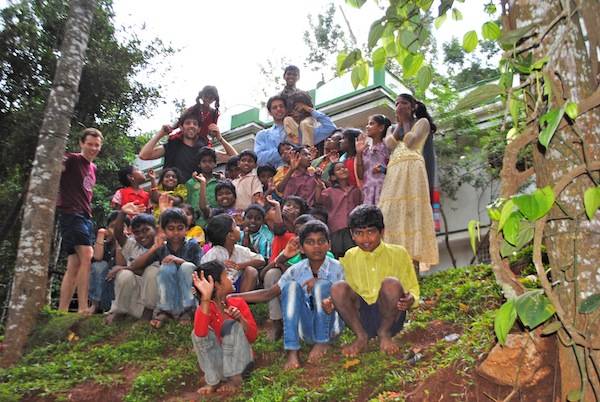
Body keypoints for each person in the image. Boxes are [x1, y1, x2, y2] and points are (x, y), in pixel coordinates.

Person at [233, 220, 344, 370]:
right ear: (302, 249)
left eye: (321, 241)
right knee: (290, 287)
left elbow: (345, 294)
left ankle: (322, 342)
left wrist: (329, 296)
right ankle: (293, 351)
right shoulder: (296, 270)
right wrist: (234, 297)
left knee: (322, 285)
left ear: (329, 245)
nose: (316, 246)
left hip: (331, 327)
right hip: (306, 329)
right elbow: (268, 293)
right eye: (310, 242)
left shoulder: (337, 267)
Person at [330, 205, 419, 356]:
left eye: (370, 232)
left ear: (382, 231)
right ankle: (361, 337)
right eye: (359, 233)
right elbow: (347, 293)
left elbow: (413, 290)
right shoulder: (348, 257)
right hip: (362, 318)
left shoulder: (399, 253)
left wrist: (410, 299)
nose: (365, 239)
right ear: (352, 235)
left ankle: (385, 333)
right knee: (337, 288)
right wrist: (331, 301)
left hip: (391, 315)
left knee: (391, 284)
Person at [378, 94, 439, 268]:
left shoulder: (422, 123)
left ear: (413, 106)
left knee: (412, 211)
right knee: (390, 212)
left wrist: (405, 121)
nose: (399, 106)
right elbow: (389, 145)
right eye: (397, 104)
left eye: (404, 103)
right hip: (394, 171)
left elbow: (411, 142)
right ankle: (393, 255)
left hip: (413, 169)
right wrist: (399, 124)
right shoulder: (391, 129)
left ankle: (413, 259)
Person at [191, 261, 257, 395]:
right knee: (196, 334)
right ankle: (213, 380)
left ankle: (234, 379)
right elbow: (200, 334)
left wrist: (240, 320)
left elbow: (253, 336)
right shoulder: (205, 308)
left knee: (231, 326)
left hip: (241, 362)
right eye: (226, 276)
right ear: (217, 285)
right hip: (219, 363)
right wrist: (205, 299)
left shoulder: (237, 302)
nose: (231, 278)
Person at [131, 208, 203, 327]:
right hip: (169, 295)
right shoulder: (162, 248)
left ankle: (188, 311)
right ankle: (166, 311)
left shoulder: (193, 245)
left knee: (186, 267)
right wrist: (154, 247)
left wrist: (179, 261)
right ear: (164, 230)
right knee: (166, 267)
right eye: (170, 228)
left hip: (189, 294)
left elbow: (198, 270)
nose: (175, 232)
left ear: (186, 229)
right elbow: (135, 266)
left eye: (180, 228)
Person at [57, 128, 103, 314]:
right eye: (89, 144)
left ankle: (62, 310)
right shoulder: (73, 159)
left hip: (85, 216)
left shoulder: (93, 168)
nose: (93, 148)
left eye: (96, 145)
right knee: (87, 256)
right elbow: (56, 163)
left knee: (74, 264)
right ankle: (83, 307)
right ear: (81, 143)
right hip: (71, 213)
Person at [138, 109, 237, 182]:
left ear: (199, 129)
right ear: (181, 127)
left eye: (195, 124)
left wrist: (220, 138)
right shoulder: (172, 146)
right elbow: (144, 155)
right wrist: (160, 134)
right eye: (188, 123)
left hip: (196, 194)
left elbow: (235, 158)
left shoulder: (204, 150)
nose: (191, 126)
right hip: (173, 193)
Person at [105, 204, 159, 323]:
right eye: (137, 232)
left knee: (151, 272)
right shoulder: (133, 245)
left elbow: (144, 271)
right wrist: (122, 213)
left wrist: (123, 267)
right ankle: (120, 312)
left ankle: (146, 316)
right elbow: (118, 234)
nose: (142, 235)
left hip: (154, 306)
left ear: (156, 229)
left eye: (146, 230)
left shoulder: (162, 247)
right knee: (124, 274)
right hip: (133, 302)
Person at [201, 214, 264, 293]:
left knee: (251, 271)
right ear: (230, 236)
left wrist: (239, 266)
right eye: (235, 226)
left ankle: (241, 301)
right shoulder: (213, 254)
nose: (238, 228)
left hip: (236, 286)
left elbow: (261, 260)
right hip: (217, 290)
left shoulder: (239, 250)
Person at [315, 162, 362, 258]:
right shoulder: (329, 192)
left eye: (344, 168)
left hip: (353, 228)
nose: (343, 170)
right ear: (333, 177)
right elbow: (319, 199)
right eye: (338, 169)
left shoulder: (355, 190)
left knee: (355, 254)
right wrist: (319, 185)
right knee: (340, 255)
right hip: (337, 229)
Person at [89, 211, 130, 314]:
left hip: (120, 294)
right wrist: (101, 234)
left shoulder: (131, 244)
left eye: (120, 226)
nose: (116, 229)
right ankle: (95, 305)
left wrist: (119, 241)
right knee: (98, 266)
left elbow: (121, 263)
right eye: (113, 227)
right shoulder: (105, 245)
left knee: (122, 273)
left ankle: (116, 309)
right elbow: (97, 257)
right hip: (105, 290)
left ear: (128, 229)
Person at [355, 115, 392, 205]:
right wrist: (359, 153)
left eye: (371, 124)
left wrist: (383, 169)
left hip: (383, 188)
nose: (367, 127)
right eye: (368, 124)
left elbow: (395, 167)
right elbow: (360, 175)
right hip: (368, 190)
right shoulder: (366, 150)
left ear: (381, 128)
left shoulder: (386, 146)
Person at [187, 147, 222, 227]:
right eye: (204, 161)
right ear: (199, 164)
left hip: (217, 222)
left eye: (210, 161)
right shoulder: (191, 183)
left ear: (215, 163)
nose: (207, 164)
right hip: (197, 225)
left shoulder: (219, 181)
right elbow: (188, 205)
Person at [254, 95, 288, 168]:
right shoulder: (262, 135)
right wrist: (282, 152)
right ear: (270, 112)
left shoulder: (297, 128)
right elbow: (259, 159)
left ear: (286, 109)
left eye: (281, 106)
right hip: (276, 176)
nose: (278, 109)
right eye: (274, 107)